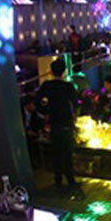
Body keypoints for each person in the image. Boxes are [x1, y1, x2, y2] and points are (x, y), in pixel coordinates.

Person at [35, 58, 78, 189]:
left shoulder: (47, 86)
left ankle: (58, 180)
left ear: (51, 72)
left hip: (54, 124)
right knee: (68, 154)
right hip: (66, 124)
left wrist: (45, 112)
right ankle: (70, 180)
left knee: (57, 154)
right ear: (64, 71)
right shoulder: (68, 86)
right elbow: (75, 104)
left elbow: (37, 101)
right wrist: (74, 116)